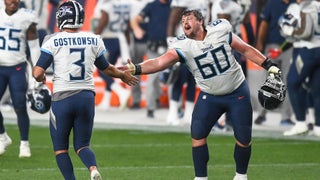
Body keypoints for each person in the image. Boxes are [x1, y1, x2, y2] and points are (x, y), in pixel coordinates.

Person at [119, 9, 281, 179]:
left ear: (200, 21)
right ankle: (200, 177)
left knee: (244, 138)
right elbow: (159, 62)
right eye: (182, 21)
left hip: (236, 92)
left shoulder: (220, 30)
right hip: (209, 95)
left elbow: (245, 49)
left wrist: (268, 64)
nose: (184, 23)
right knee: (197, 134)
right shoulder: (182, 45)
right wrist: (136, 68)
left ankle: (241, 176)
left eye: (188, 19)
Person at [32, 1, 138, 179]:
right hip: (86, 97)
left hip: (63, 99)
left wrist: (40, 77)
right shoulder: (93, 38)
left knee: (60, 149)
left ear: (61, 17)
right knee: (82, 146)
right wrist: (123, 75)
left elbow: (37, 71)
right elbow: (107, 68)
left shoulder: (52, 40)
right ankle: (93, 168)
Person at [0, 0, 40, 158]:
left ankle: (24, 143)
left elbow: (34, 46)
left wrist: (37, 69)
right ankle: (2, 136)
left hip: (17, 67)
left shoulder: (27, 17)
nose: (14, 1)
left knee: (19, 105)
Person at [279, 0, 320, 136]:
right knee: (316, 89)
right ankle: (318, 127)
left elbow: (305, 33)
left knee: (293, 82)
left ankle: (301, 123)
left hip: (307, 50)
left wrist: (289, 30)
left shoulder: (306, 5)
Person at [165, 0, 209, 125]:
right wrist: (171, 45)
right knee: (179, 77)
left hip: (197, 44)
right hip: (183, 43)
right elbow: (172, 20)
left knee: (193, 79)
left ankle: (189, 113)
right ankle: (172, 112)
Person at [252, 0, 295, 126]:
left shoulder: (295, 4)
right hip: (272, 46)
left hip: (290, 47)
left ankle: (285, 117)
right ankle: (262, 113)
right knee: (269, 82)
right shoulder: (272, 3)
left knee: (288, 81)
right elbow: (264, 24)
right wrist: (259, 43)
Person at [131, 0, 171, 118]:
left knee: (173, 77)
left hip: (171, 45)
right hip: (154, 46)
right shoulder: (151, 6)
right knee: (152, 77)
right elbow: (135, 20)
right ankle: (150, 107)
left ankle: (175, 107)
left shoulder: (174, 4)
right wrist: (137, 29)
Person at [93, 0, 132, 110]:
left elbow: (104, 19)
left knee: (103, 70)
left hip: (108, 39)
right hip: (121, 40)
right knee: (110, 70)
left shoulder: (106, 4)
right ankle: (107, 99)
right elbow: (127, 25)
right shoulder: (123, 3)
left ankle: (121, 92)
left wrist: (93, 38)